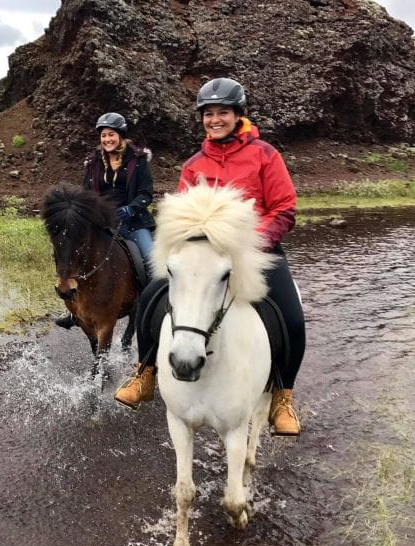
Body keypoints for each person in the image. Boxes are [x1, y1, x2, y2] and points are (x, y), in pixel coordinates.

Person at [113, 78, 306, 437]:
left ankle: (282, 396)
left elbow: (284, 208)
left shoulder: (265, 154)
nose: (215, 119)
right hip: (203, 254)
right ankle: (145, 373)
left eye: (223, 113)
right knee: (152, 298)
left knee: (291, 319)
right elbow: (185, 213)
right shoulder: (194, 164)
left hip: (255, 250)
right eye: (209, 114)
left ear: (237, 115)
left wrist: (255, 242)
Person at [54, 112, 154, 330]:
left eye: (112, 135)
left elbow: (146, 193)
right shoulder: (93, 163)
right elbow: (85, 193)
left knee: (151, 261)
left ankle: (151, 304)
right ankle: (74, 310)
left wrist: (131, 208)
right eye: (104, 135)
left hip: (133, 221)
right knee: (73, 253)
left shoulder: (138, 160)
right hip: (101, 222)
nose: (107, 139)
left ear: (121, 136)